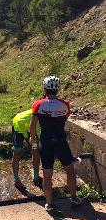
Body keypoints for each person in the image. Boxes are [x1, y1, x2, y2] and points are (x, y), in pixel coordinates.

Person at [30, 75, 82, 212]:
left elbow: (32, 125)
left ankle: (49, 203)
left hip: (46, 142)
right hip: (60, 141)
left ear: (45, 89)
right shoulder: (65, 104)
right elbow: (64, 117)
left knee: (47, 175)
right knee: (70, 171)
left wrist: (32, 138)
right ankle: (74, 198)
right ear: (57, 89)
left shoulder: (38, 104)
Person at [12, 109, 42, 191]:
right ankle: (16, 180)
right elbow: (22, 125)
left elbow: (39, 134)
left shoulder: (45, 118)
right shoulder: (38, 116)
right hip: (18, 126)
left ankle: (36, 177)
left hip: (30, 129)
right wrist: (27, 137)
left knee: (35, 150)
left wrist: (34, 141)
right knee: (18, 152)